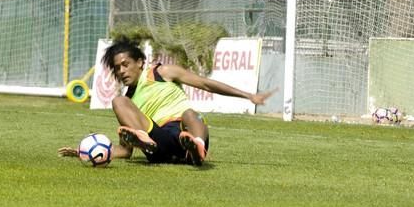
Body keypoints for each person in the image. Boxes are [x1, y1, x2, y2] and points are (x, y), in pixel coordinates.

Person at [58, 39, 276, 166]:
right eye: (117, 68)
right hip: (157, 137)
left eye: (125, 64)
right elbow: (125, 152)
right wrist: (86, 152)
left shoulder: (161, 72)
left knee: (190, 114)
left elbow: (205, 84)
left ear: (140, 62)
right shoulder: (128, 100)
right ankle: (146, 141)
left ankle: (196, 147)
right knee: (118, 101)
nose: (121, 71)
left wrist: (248, 96)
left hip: (183, 129)